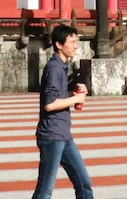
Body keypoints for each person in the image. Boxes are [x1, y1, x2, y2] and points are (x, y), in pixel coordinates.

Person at [31, 24, 93, 199]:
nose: (76, 46)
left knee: (84, 183)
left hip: (63, 135)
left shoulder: (62, 67)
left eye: (76, 42)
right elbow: (49, 104)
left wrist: (74, 93)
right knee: (45, 190)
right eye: (72, 42)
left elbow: (56, 96)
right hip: (52, 136)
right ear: (59, 44)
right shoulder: (54, 68)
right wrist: (76, 99)